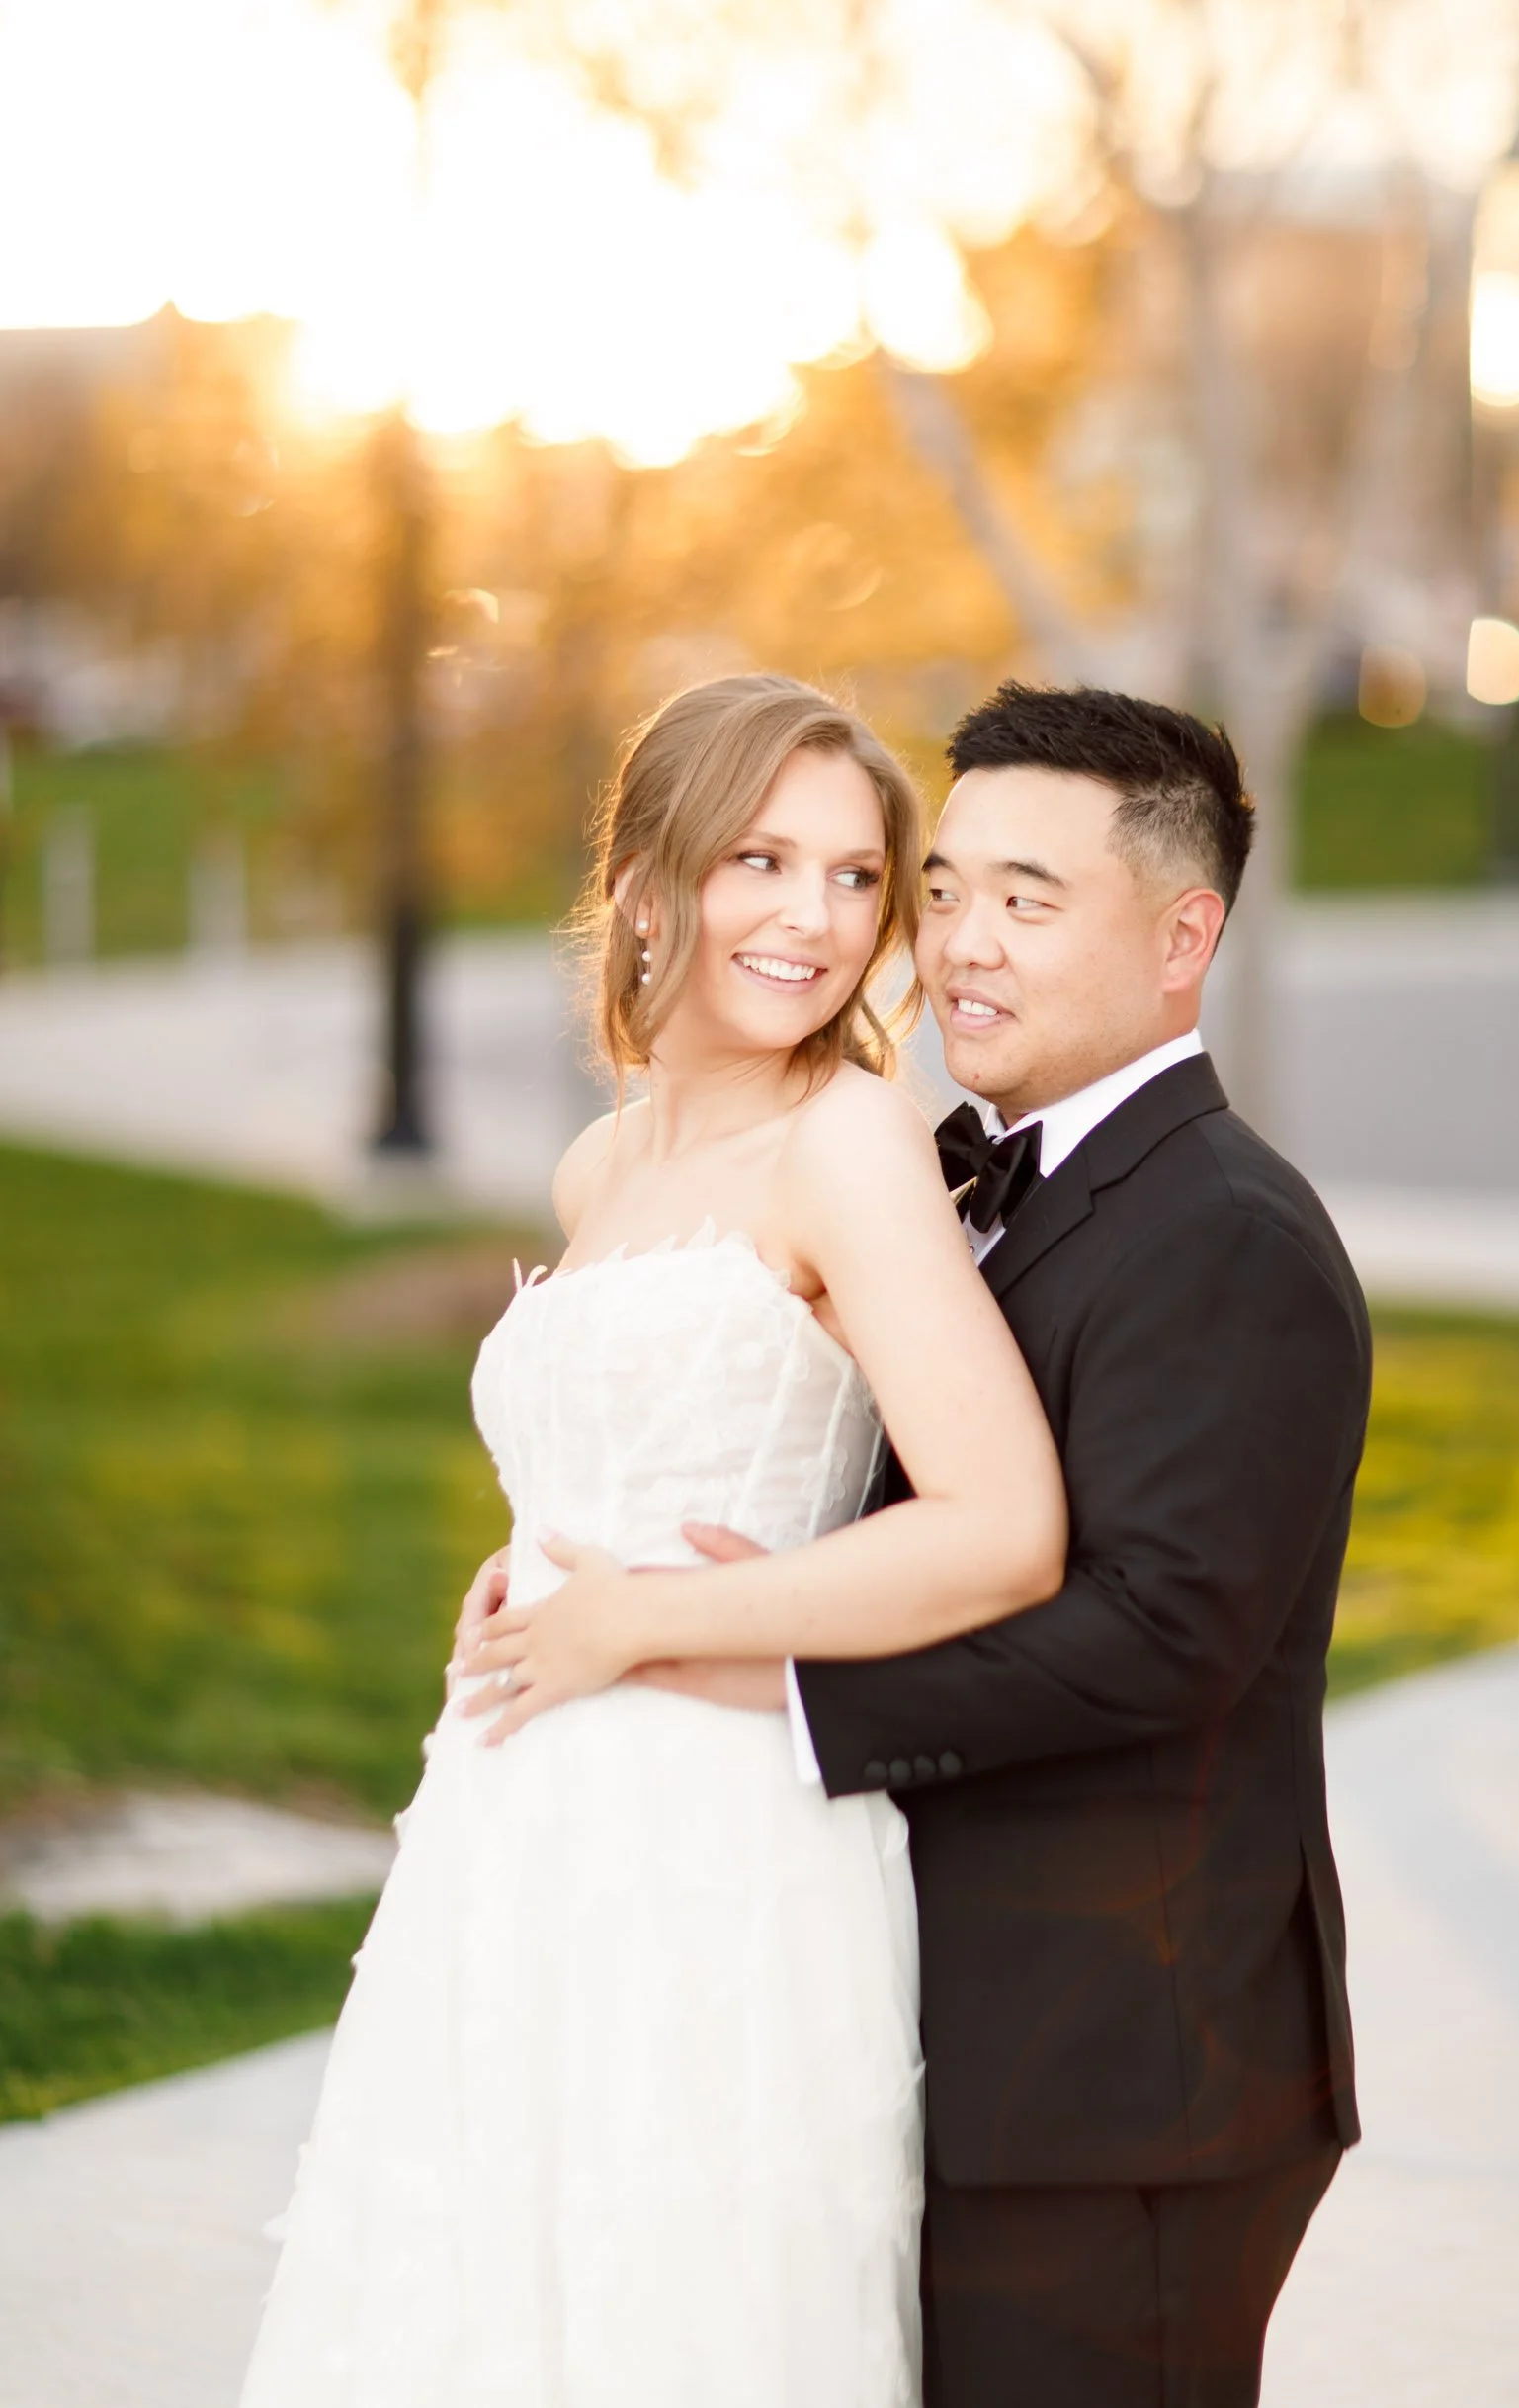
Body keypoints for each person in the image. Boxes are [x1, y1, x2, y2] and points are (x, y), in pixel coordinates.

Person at [480, 683, 1371, 2408]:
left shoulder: (1229, 1236)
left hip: (1125, 2087)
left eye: (1028, 902)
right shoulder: (971, 1179)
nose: (957, 943)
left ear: (1184, 937)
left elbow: (1158, 1636)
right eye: (944, 888)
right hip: (930, 2030)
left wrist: (758, 1667)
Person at [237, 673, 1064, 2408]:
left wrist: (659, 1627)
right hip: (510, 1825)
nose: (814, 918)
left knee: (672, 2312)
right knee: (479, 2295)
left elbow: (1004, 1527)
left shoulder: (844, 1141)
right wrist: (540, 1564)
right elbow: (628, 1440)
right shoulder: (598, 1165)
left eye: (855, 877)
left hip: (715, 1836)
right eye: (760, 860)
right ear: (645, 881)